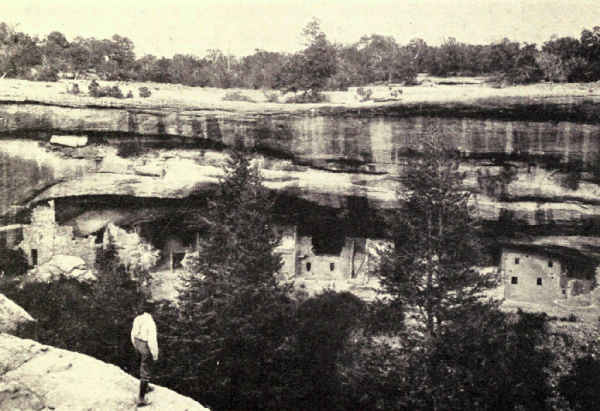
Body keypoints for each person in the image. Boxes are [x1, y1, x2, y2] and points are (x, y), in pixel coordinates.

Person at [131, 301, 159, 407]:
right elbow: (152, 340)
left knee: (142, 365)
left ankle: (145, 387)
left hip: (137, 342)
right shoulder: (151, 323)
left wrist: (135, 345)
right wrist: (155, 354)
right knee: (146, 370)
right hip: (146, 345)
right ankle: (141, 398)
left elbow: (133, 334)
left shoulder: (138, 318)